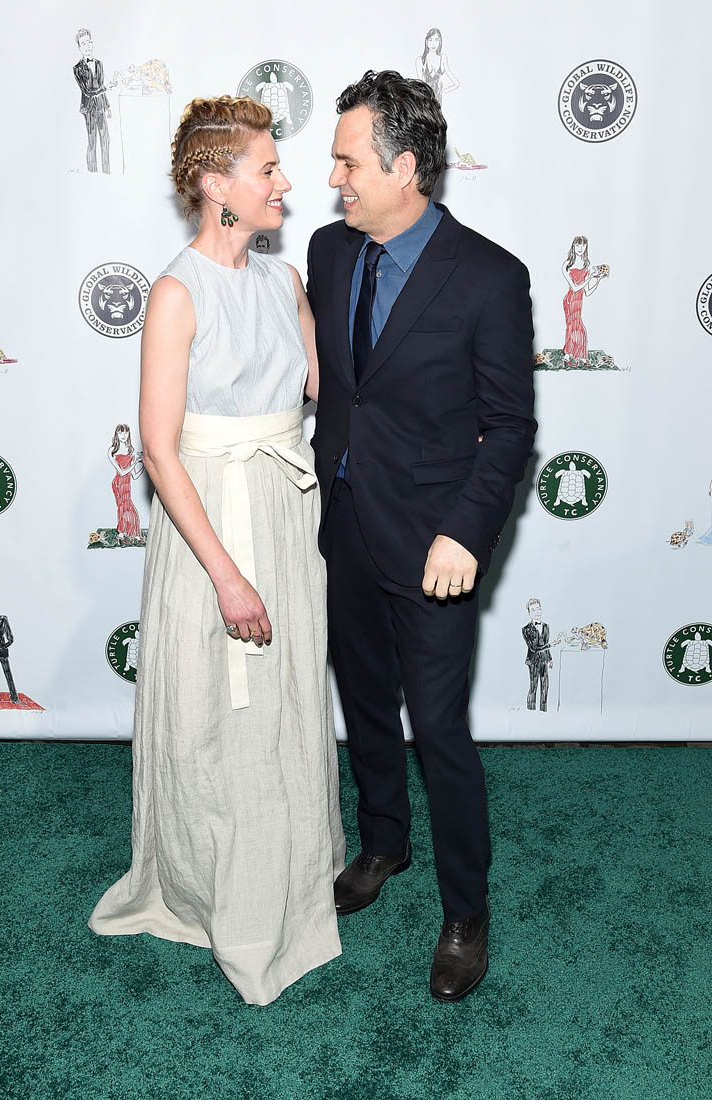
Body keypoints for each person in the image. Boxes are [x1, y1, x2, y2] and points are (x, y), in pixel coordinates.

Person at [89, 95, 345, 1006]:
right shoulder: (175, 293)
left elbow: (323, 390)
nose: (285, 182)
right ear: (214, 184)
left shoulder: (283, 280)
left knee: (283, 703)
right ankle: (214, 895)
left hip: (284, 505)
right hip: (209, 523)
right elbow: (160, 452)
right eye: (266, 168)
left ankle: (287, 882)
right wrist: (228, 576)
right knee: (212, 712)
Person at [307, 70, 536, 1001]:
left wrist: (465, 534)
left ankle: (465, 912)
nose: (333, 178)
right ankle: (382, 842)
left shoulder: (488, 276)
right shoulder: (328, 252)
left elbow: (509, 427)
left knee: (437, 728)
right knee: (363, 698)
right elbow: (339, 387)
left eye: (348, 161)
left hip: (435, 547)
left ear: (404, 168)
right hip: (343, 526)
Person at [561, 235, 606, 366]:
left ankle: (571, 357)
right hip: (570, 301)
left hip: (579, 301)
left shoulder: (587, 265)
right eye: (577, 245)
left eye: (583, 245)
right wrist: (590, 277)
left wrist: (598, 280)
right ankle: (574, 357)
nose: (580, 248)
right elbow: (575, 288)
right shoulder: (567, 264)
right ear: (573, 247)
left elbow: (587, 292)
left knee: (577, 329)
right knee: (575, 328)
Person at [73, 29, 111, 174]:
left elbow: (100, 85)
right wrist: (105, 88)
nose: (88, 46)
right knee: (92, 141)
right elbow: (87, 92)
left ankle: (107, 172)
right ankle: (92, 174)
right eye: (84, 43)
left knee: (106, 139)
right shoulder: (77, 69)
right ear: (79, 47)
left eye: (89, 42)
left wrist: (107, 106)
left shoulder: (99, 64)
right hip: (88, 109)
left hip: (101, 107)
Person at [108, 424, 143, 544]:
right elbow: (122, 472)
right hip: (118, 484)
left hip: (127, 485)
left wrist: (143, 463)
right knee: (124, 508)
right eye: (120, 432)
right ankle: (128, 534)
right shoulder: (112, 450)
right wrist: (135, 462)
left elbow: (134, 476)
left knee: (128, 509)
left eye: (126, 432)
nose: (123, 435)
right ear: (116, 434)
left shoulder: (130, 450)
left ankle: (123, 534)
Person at [522, 598, 552, 711]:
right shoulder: (526, 629)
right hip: (533, 661)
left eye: (538, 609)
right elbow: (533, 648)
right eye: (533, 610)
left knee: (545, 686)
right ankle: (531, 710)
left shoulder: (546, 627)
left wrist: (550, 658)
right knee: (533, 686)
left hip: (544, 660)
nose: (537, 612)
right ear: (529, 613)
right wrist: (550, 645)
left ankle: (543, 711)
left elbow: (546, 643)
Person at [415, 28, 459, 106]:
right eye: (430, 40)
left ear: (440, 41)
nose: (433, 44)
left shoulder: (443, 58)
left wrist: (443, 91)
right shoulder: (420, 60)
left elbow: (456, 83)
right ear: (426, 42)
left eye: (437, 40)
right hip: (425, 100)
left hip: (437, 100)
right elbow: (420, 85)